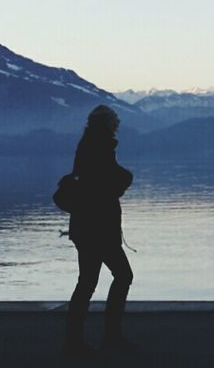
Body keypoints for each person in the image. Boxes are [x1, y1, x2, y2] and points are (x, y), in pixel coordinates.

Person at [63, 105, 136, 357]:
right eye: (115, 121)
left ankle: (76, 340)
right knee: (122, 275)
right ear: (108, 124)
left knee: (87, 281)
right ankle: (110, 336)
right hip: (98, 227)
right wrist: (126, 178)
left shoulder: (87, 146)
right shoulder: (100, 148)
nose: (117, 124)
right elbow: (105, 187)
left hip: (85, 226)